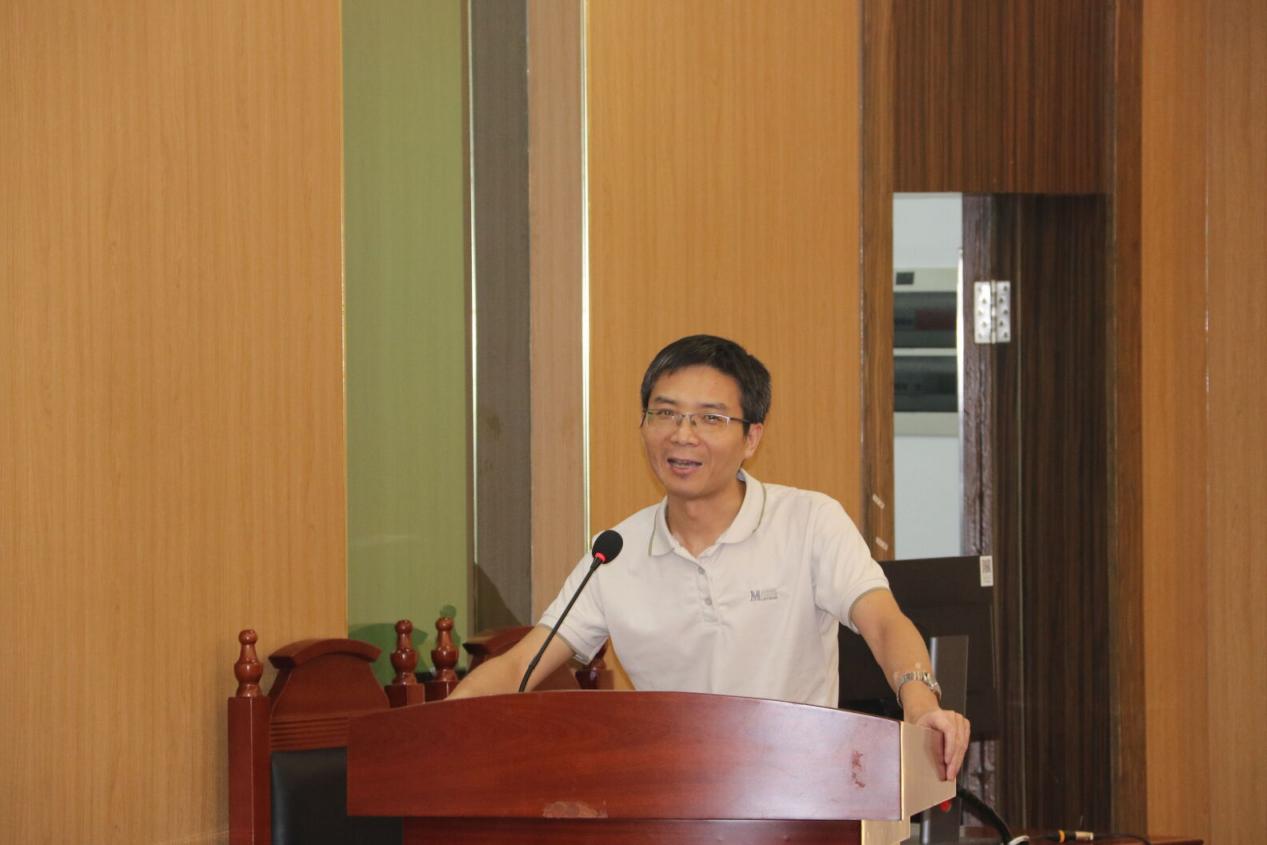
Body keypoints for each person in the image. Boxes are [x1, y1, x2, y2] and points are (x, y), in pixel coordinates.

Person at [449, 334, 971, 779]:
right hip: (670, 796)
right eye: (665, 413)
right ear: (644, 424)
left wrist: (920, 701)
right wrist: (437, 728)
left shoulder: (809, 521)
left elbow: (883, 623)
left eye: (710, 418)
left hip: (798, 788)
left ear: (752, 438)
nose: (683, 435)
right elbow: (522, 663)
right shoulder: (615, 552)